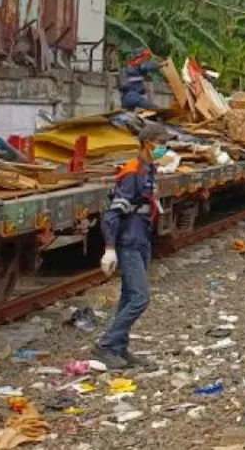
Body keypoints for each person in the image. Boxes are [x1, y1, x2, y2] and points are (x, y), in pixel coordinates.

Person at [95, 124, 171, 370]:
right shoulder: (132, 172)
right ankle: (106, 345)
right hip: (128, 241)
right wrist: (109, 248)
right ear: (148, 143)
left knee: (129, 296)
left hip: (142, 239)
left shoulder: (149, 169)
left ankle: (120, 349)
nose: (164, 147)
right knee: (140, 298)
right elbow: (113, 213)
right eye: (161, 143)